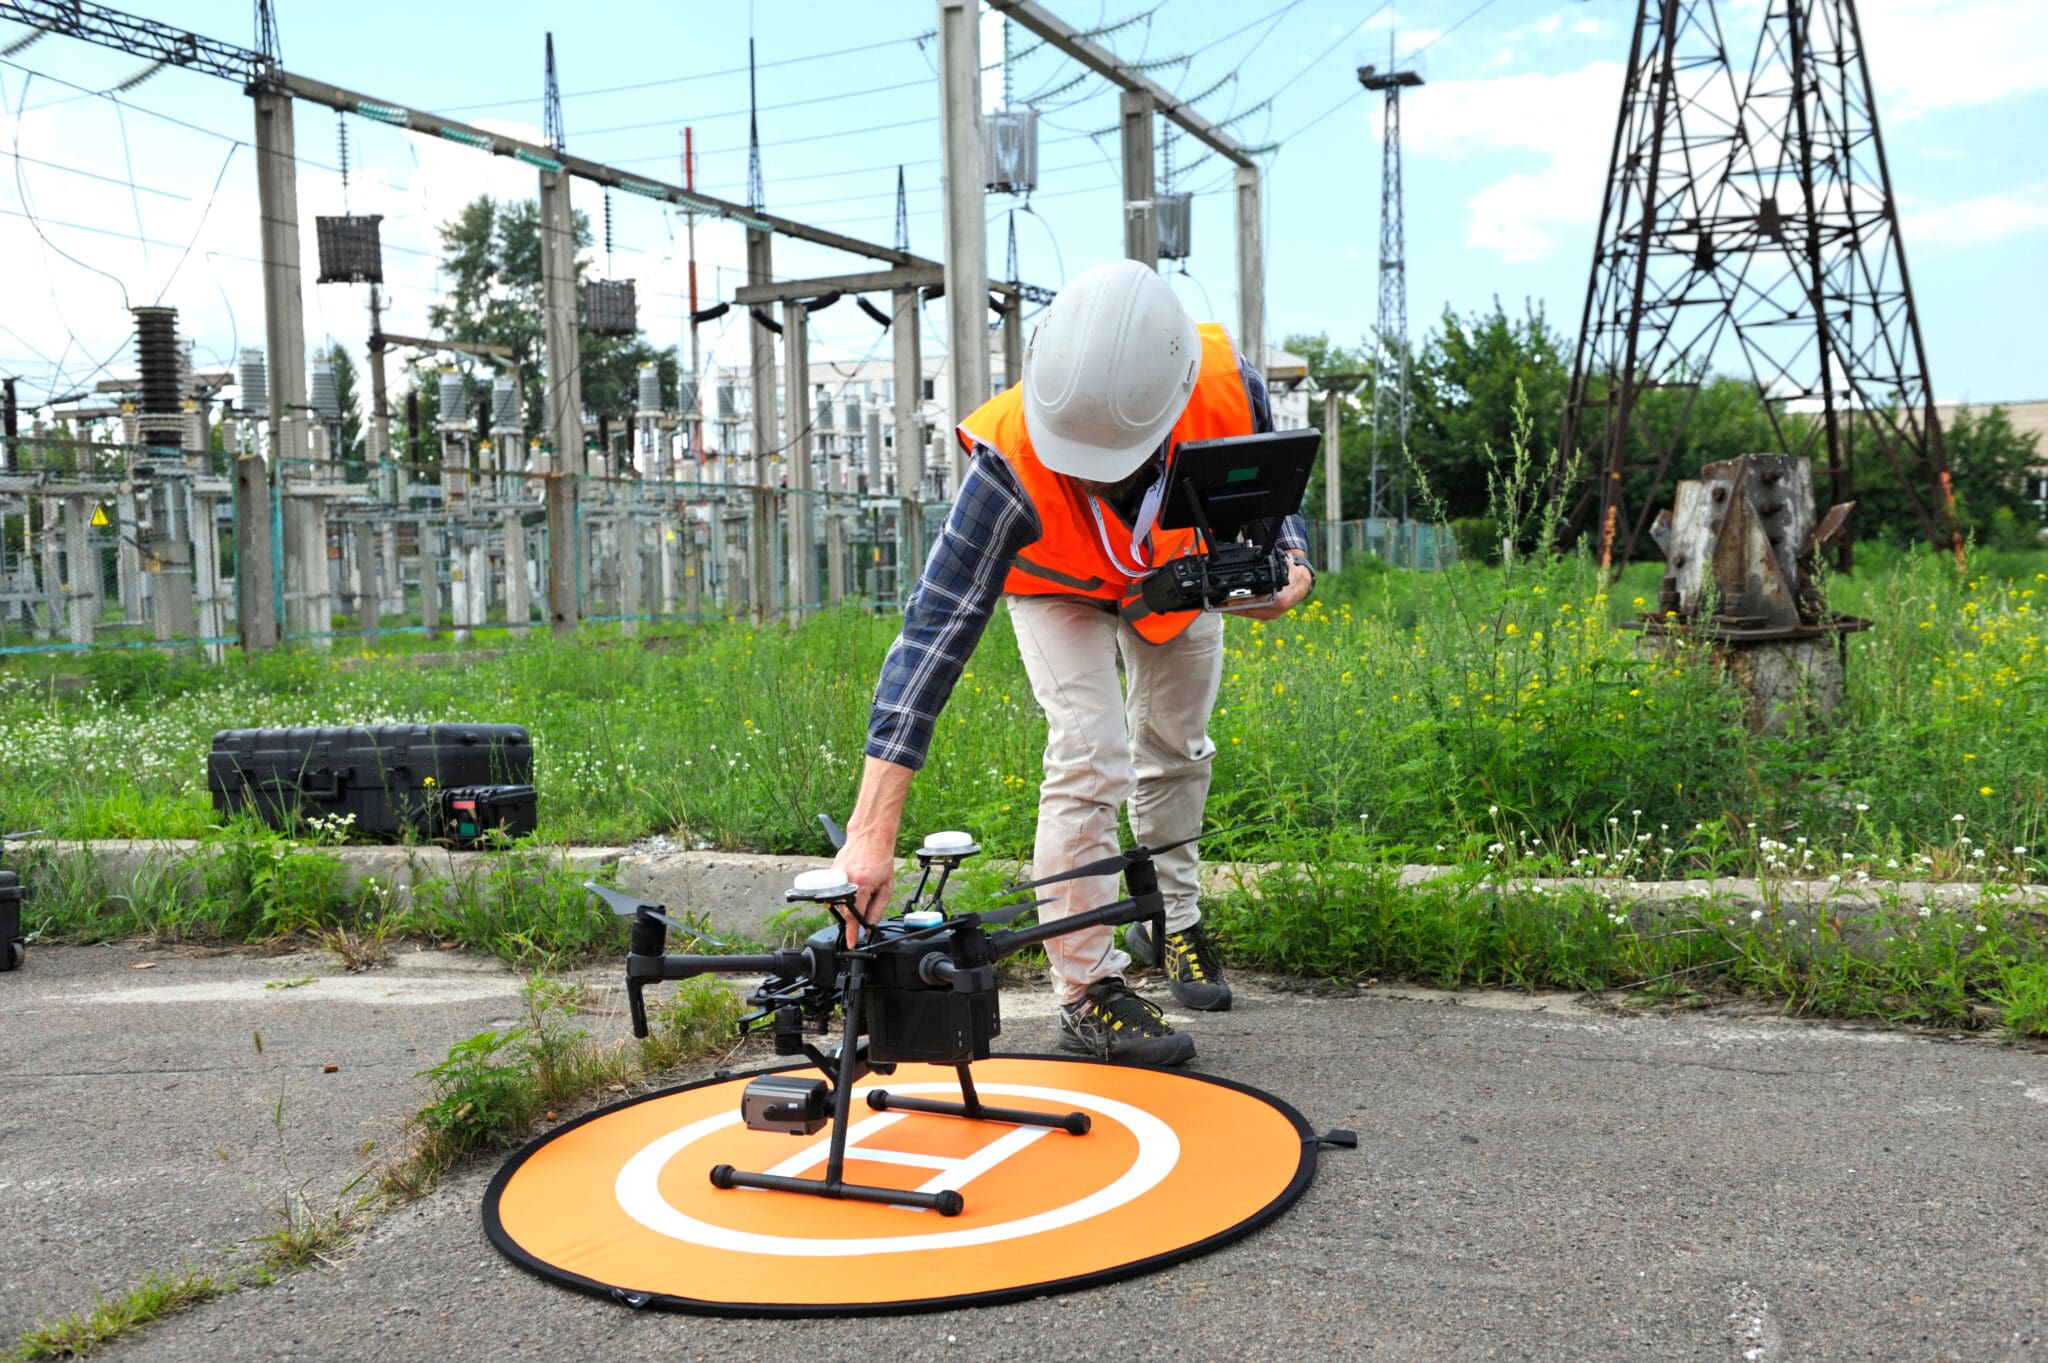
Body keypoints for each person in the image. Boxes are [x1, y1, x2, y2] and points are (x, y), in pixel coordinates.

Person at [833, 260, 1314, 1066]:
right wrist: (869, 834)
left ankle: (1176, 920)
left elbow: (1275, 497)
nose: (1092, 473)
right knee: (1091, 753)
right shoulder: (1008, 460)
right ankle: (1087, 990)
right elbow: (932, 634)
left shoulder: (1226, 386)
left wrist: (1289, 561)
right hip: (1057, 584)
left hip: (1174, 573)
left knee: (1177, 746)